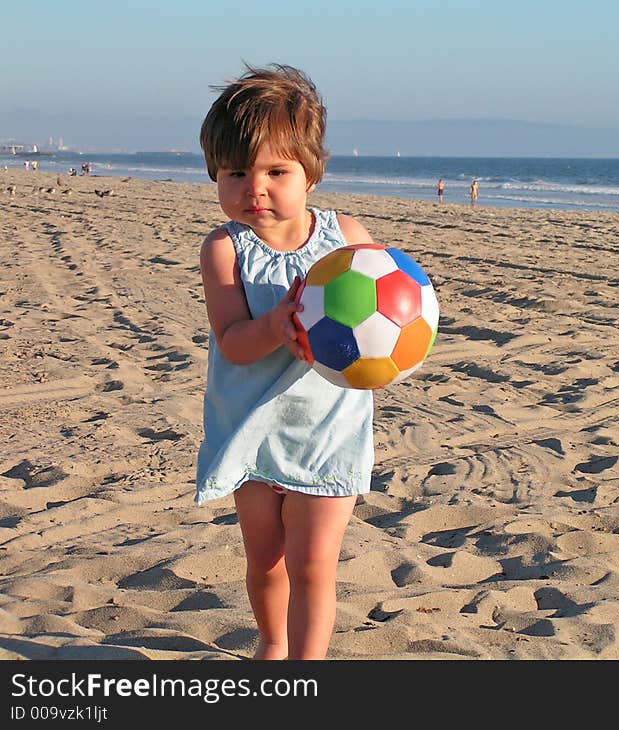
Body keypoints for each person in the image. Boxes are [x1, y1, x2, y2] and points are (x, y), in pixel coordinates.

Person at [195, 63, 377, 660]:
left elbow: (393, 309)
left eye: (277, 171)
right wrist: (276, 325)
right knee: (267, 561)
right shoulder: (225, 249)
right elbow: (231, 340)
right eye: (236, 173)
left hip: (328, 427)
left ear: (311, 174)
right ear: (214, 177)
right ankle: (272, 643)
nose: (256, 188)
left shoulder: (346, 237)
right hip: (253, 426)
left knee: (313, 562)